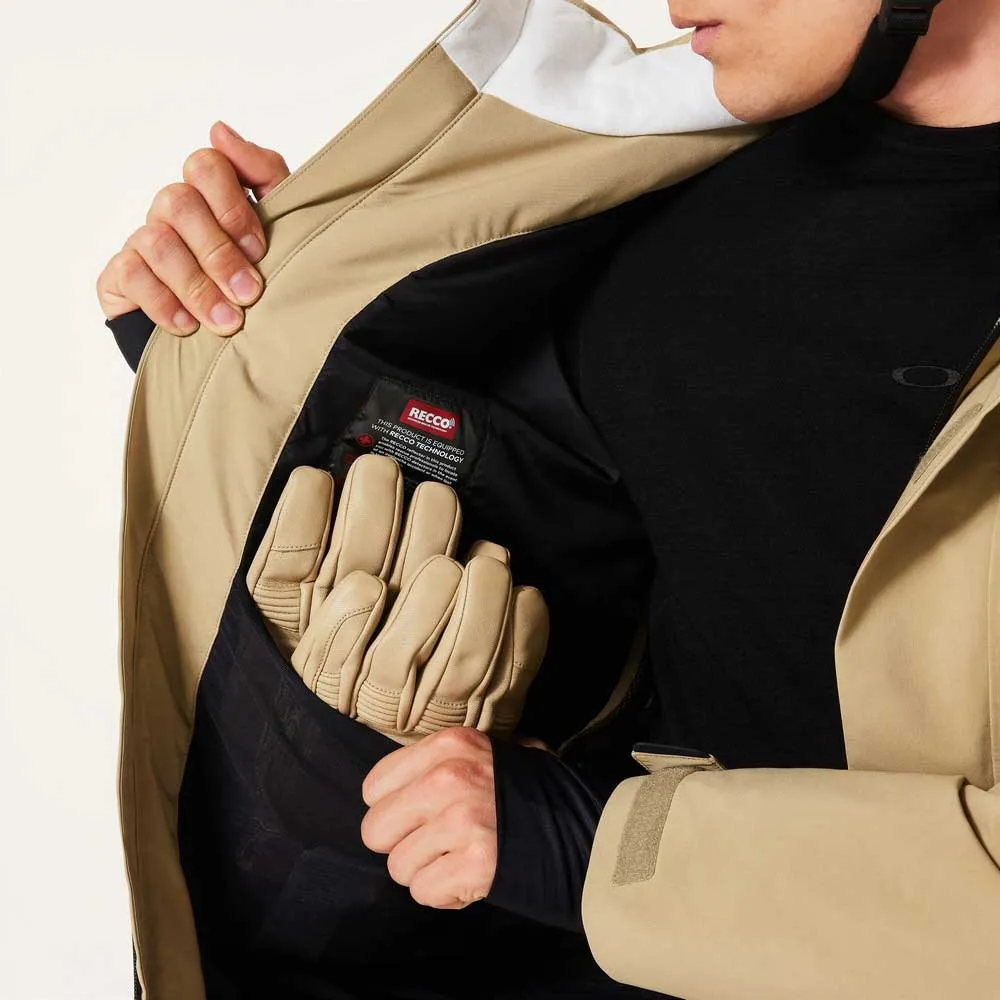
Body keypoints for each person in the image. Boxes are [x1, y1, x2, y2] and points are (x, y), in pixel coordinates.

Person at [96, 1, 1000, 997]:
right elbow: (620, 529)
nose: (671, 2)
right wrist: (259, 341)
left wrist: (598, 851)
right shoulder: (676, 156)